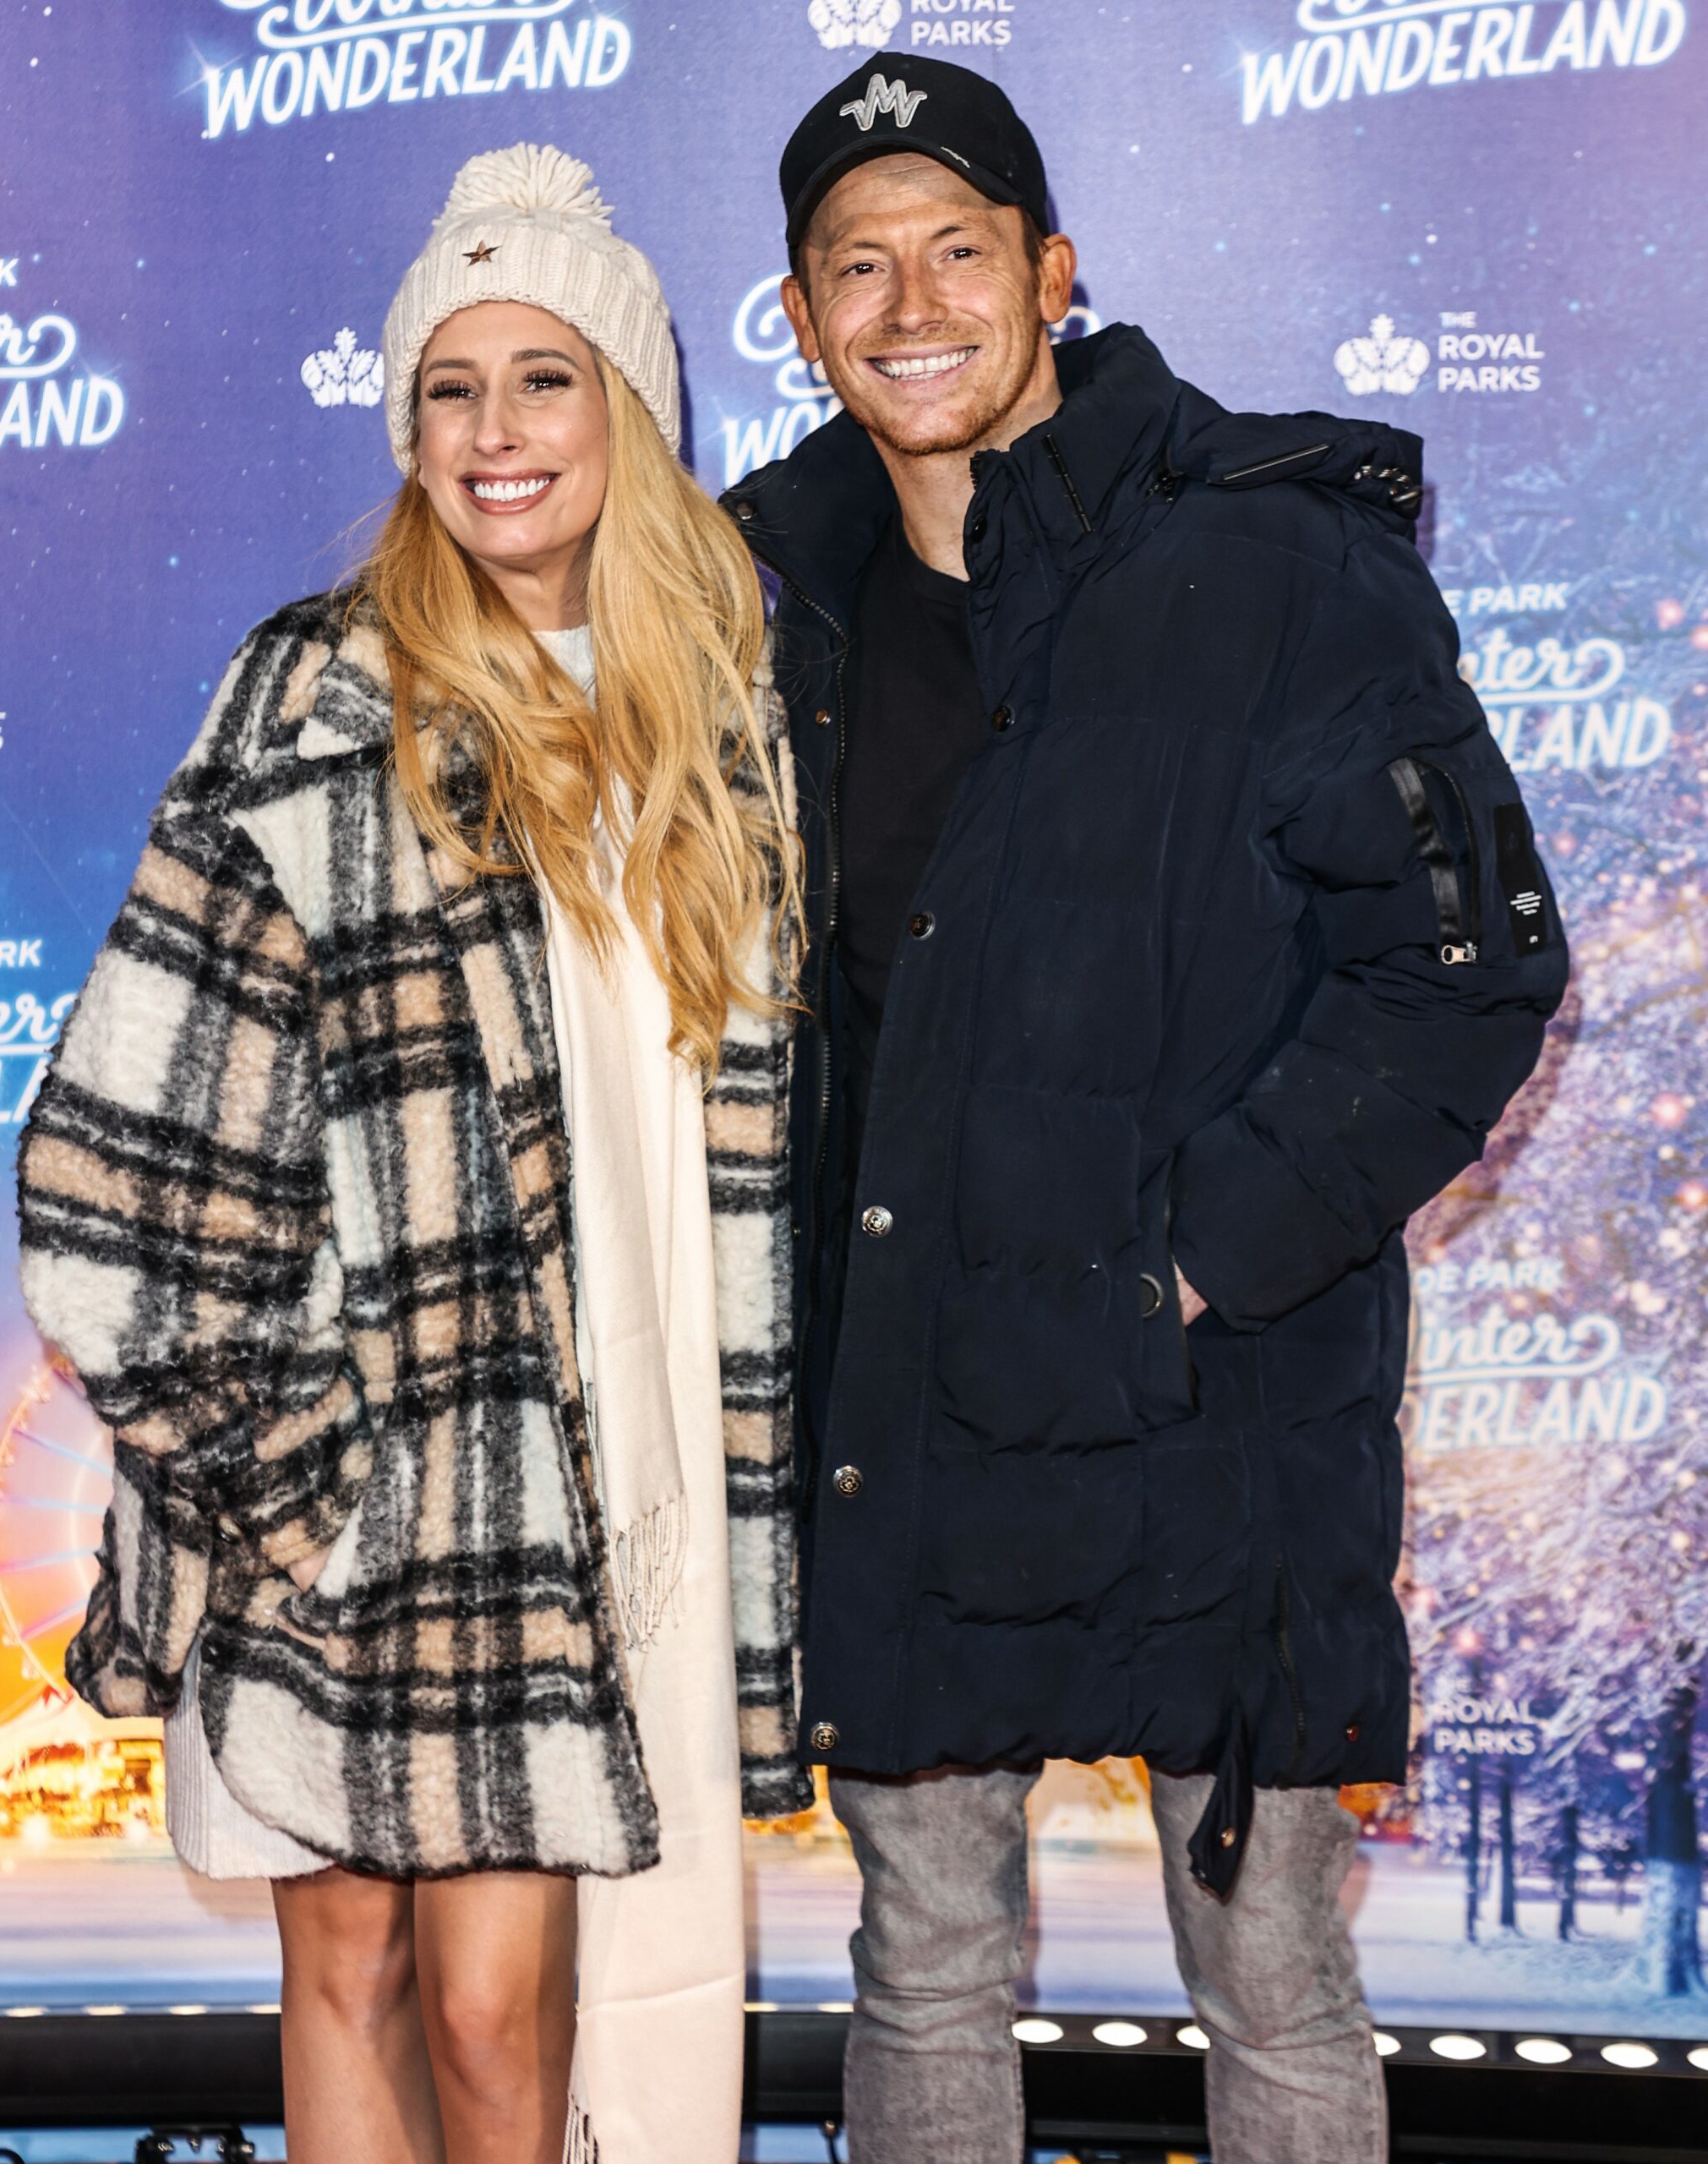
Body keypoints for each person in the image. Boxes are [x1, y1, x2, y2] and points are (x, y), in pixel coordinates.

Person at [723, 55, 1567, 2164]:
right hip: (904, 1399)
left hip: (1223, 1419)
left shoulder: (1275, 563)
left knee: (1273, 1976)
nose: (910, 304)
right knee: (922, 1966)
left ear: (1051, 269)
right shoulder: (753, 596)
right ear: (804, 312)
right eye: (858, 266)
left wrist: (1193, 1259)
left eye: (956, 251)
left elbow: (1466, 969)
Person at [17, 144, 810, 2164]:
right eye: (449, 387)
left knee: (515, 2027)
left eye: (542, 376)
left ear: (626, 402)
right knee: (375, 1980)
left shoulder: (719, 722)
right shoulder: (316, 692)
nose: (493, 432)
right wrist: (298, 1479)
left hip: (620, 1484)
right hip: (366, 1485)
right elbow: (117, 1159)